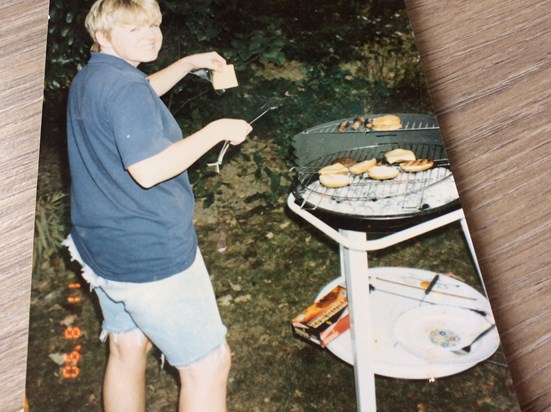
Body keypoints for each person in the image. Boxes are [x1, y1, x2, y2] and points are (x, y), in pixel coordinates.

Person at [62, 0, 252, 411]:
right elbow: (149, 171)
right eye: (134, 29)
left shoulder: (94, 76)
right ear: (103, 36)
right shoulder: (124, 87)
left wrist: (185, 64)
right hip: (150, 255)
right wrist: (217, 129)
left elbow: (140, 93)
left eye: (153, 24)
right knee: (207, 365)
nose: (150, 34)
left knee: (128, 345)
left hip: (103, 247)